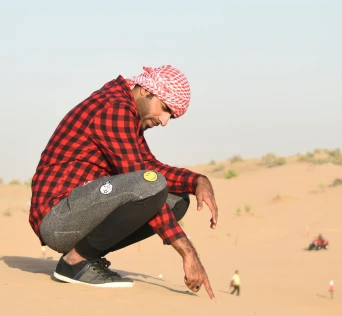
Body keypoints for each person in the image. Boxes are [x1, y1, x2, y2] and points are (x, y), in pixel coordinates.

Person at [28, 65, 219, 300]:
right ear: (147, 91)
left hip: (79, 211)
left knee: (177, 200)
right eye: (165, 109)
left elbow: (148, 167)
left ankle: (85, 256)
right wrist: (187, 252)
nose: (164, 121)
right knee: (152, 185)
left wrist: (197, 180)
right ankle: (75, 262)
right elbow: (145, 182)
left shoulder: (127, 110)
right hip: (57, 218)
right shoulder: (114, 108)